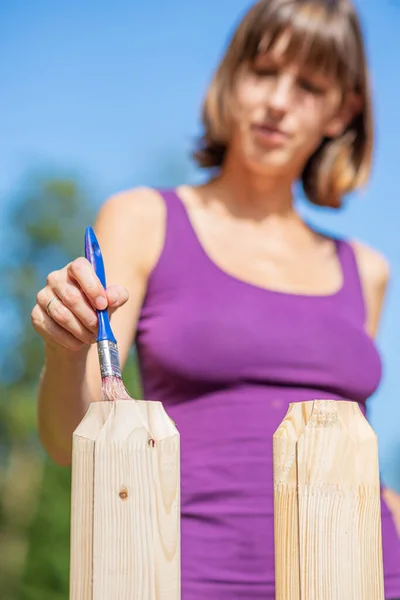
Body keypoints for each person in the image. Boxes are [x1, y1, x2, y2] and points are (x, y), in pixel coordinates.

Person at [31, 0, 400, 597]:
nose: (278, 101)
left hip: (366, 577)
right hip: (188, 577)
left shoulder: (368, 269)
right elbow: (68, 442)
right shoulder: (143, 219)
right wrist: (67, 352)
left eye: (309, 85)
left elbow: (361, 455)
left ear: (343, 111)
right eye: (263, 72)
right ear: (231, 77)